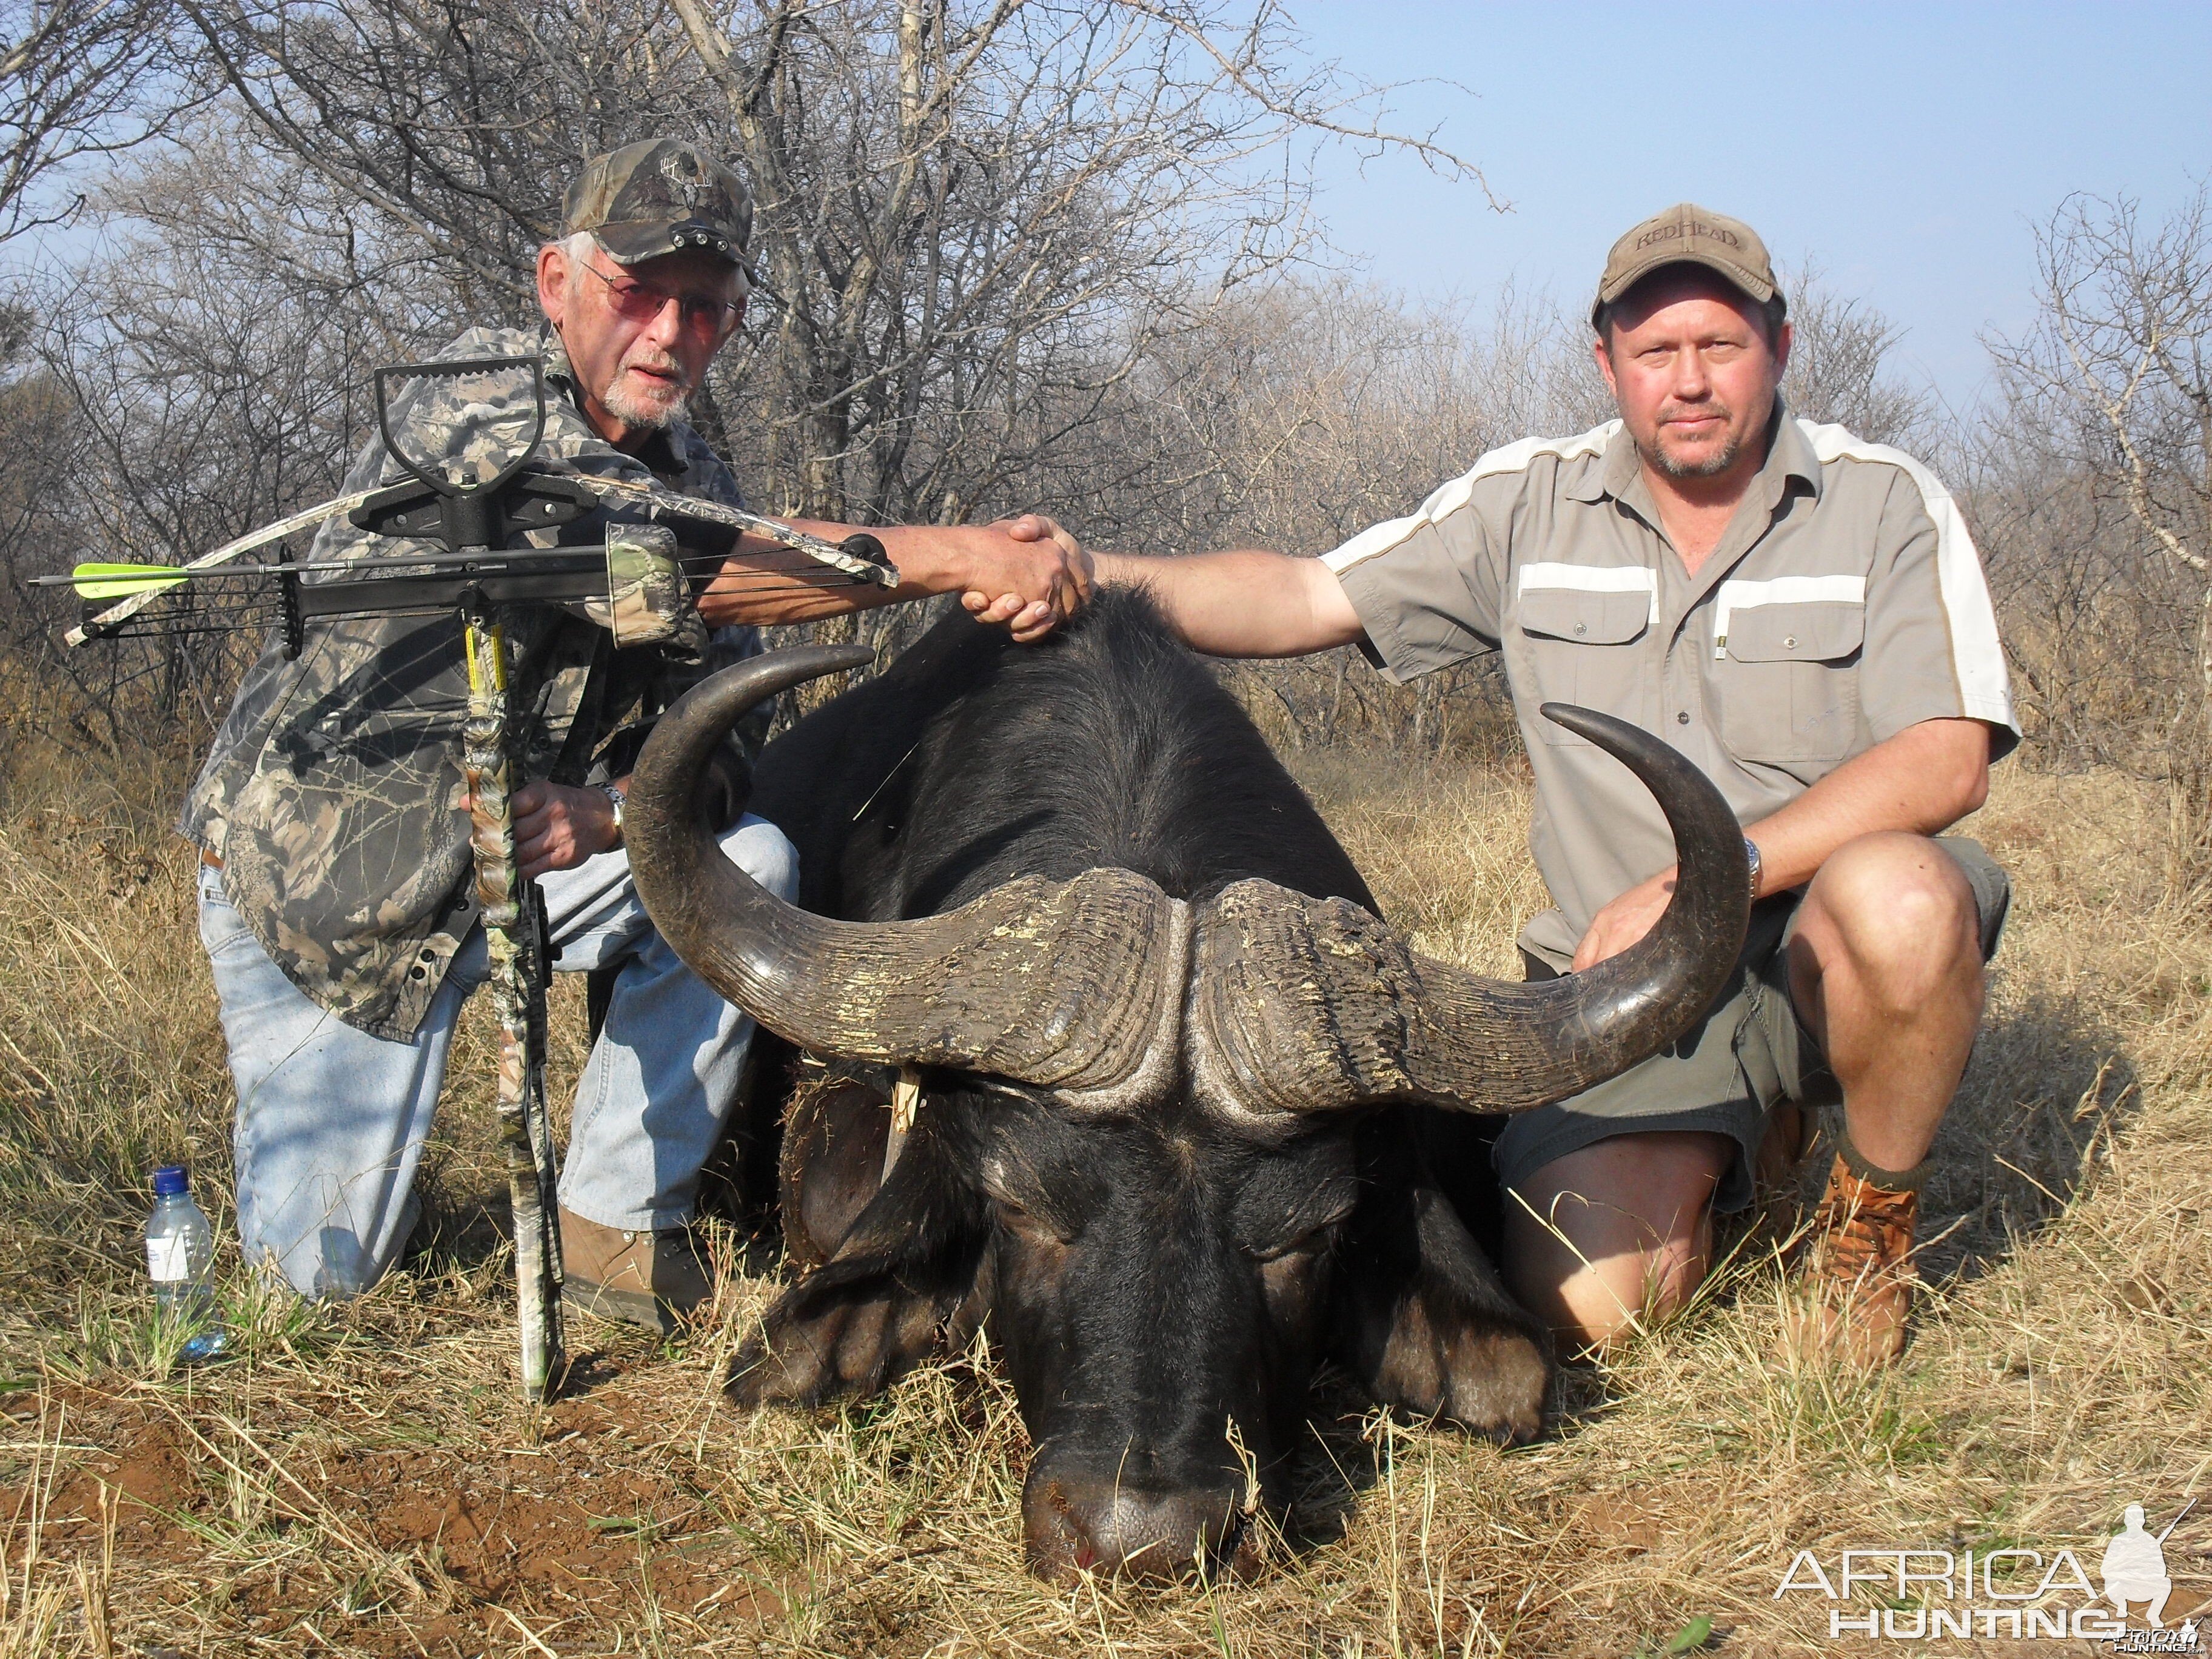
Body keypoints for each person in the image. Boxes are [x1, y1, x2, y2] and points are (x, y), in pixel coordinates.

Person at [1015, 203, 2017, 1366]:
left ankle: (1869, 1226)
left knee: (1904, 902)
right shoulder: (1527, 500)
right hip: (1625, 987)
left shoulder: (1885, 499)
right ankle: (1751, 1140)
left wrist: (1718, 880)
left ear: (1780, 348)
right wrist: (1090, 574)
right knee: (1590, 1309)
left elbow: (1949, 754)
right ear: (1609, 364)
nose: (1688, 381)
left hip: (1817, 946)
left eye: (1720, 345)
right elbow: (1303, 597)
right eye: (1655, 352)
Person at [185, 138, 1089, 1331]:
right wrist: (956, 558)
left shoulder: (697, 465)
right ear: (557, 283)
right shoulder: (472, 405)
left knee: (749, 863)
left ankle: (611, 1226)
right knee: (319, 1292)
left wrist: (606, 815)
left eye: (703, 309)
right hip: (340, 894)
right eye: (637, 293)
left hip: (528, 863)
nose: (668, 333)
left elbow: (720, 740)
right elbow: (657, 565)